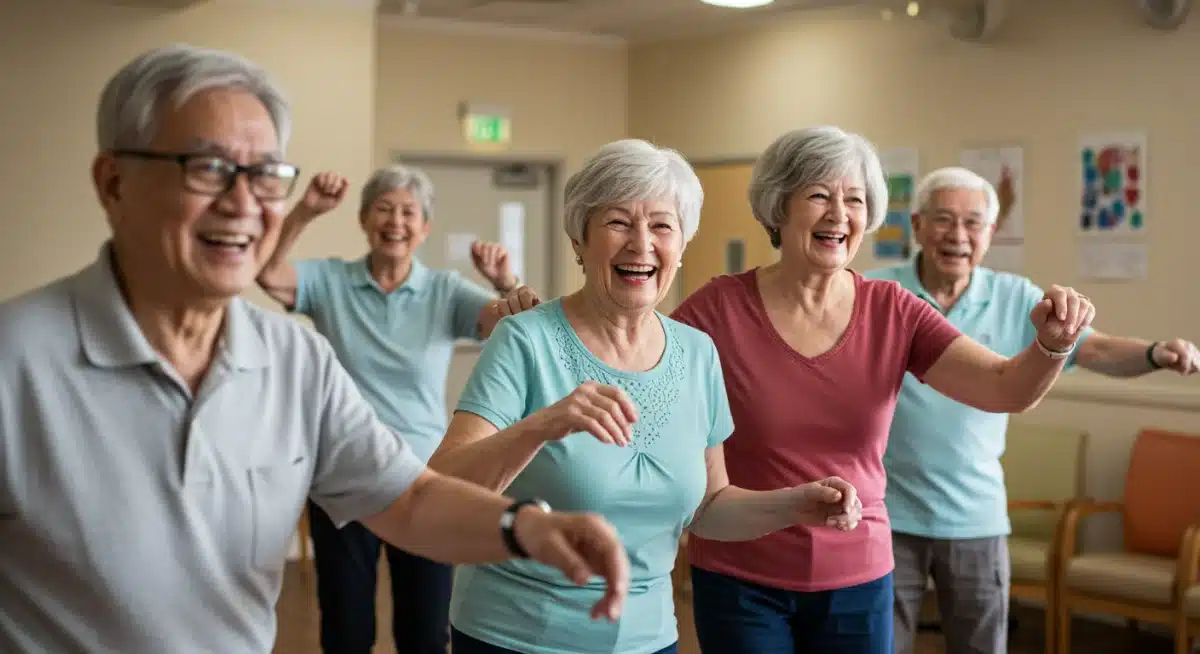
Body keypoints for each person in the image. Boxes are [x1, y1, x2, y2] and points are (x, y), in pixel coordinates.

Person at [0, 43, 630, 654]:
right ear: (114, 183)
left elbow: (407, 500)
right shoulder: (15, 361)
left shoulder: (293, 360)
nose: (244, 202)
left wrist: (528, 525)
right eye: (208, 167)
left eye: (266, 175)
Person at [427, 138, 865, 654]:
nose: (641, 244)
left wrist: (795, 505)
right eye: (618, 223)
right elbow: (442, 486)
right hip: (518, 636)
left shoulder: (697, 352)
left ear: (681, 247)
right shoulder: (525, 340)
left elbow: (709, 507)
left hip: (650, 639)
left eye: (662, 225)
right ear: (580, 239)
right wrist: (542, 425)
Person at [669, 125, 1096, 654]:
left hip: (858, 574)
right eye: (819, 195)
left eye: (854, 199)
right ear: (779, 206)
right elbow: (641, 375)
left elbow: (1005, 388)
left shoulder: (894, 310)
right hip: (741, 575)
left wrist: (1052, 346)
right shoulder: (717, 311)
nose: (838, 214)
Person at [863, 165, 1199, 654]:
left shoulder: (1015, 296)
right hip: (887, 515)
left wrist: (1155, 353)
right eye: (942, 220)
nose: (957, 235)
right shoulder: (877, 294)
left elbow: (1096, 350)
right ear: (916, 225)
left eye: (973, 223)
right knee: (877, 646)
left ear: (990, 234)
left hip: (975, 518)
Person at [257, 166, 534, 654]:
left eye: (409, 212)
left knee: (425, 632)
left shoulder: (444, 291)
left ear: (425, 228)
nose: (396, 221)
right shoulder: (331, 280)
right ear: (364, 219)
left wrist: (505, 281)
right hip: (343, 474)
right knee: (345, 629)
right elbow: (269, 273)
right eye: (383, 208)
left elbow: (521, 320)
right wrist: (305, 211)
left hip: (422, 477)